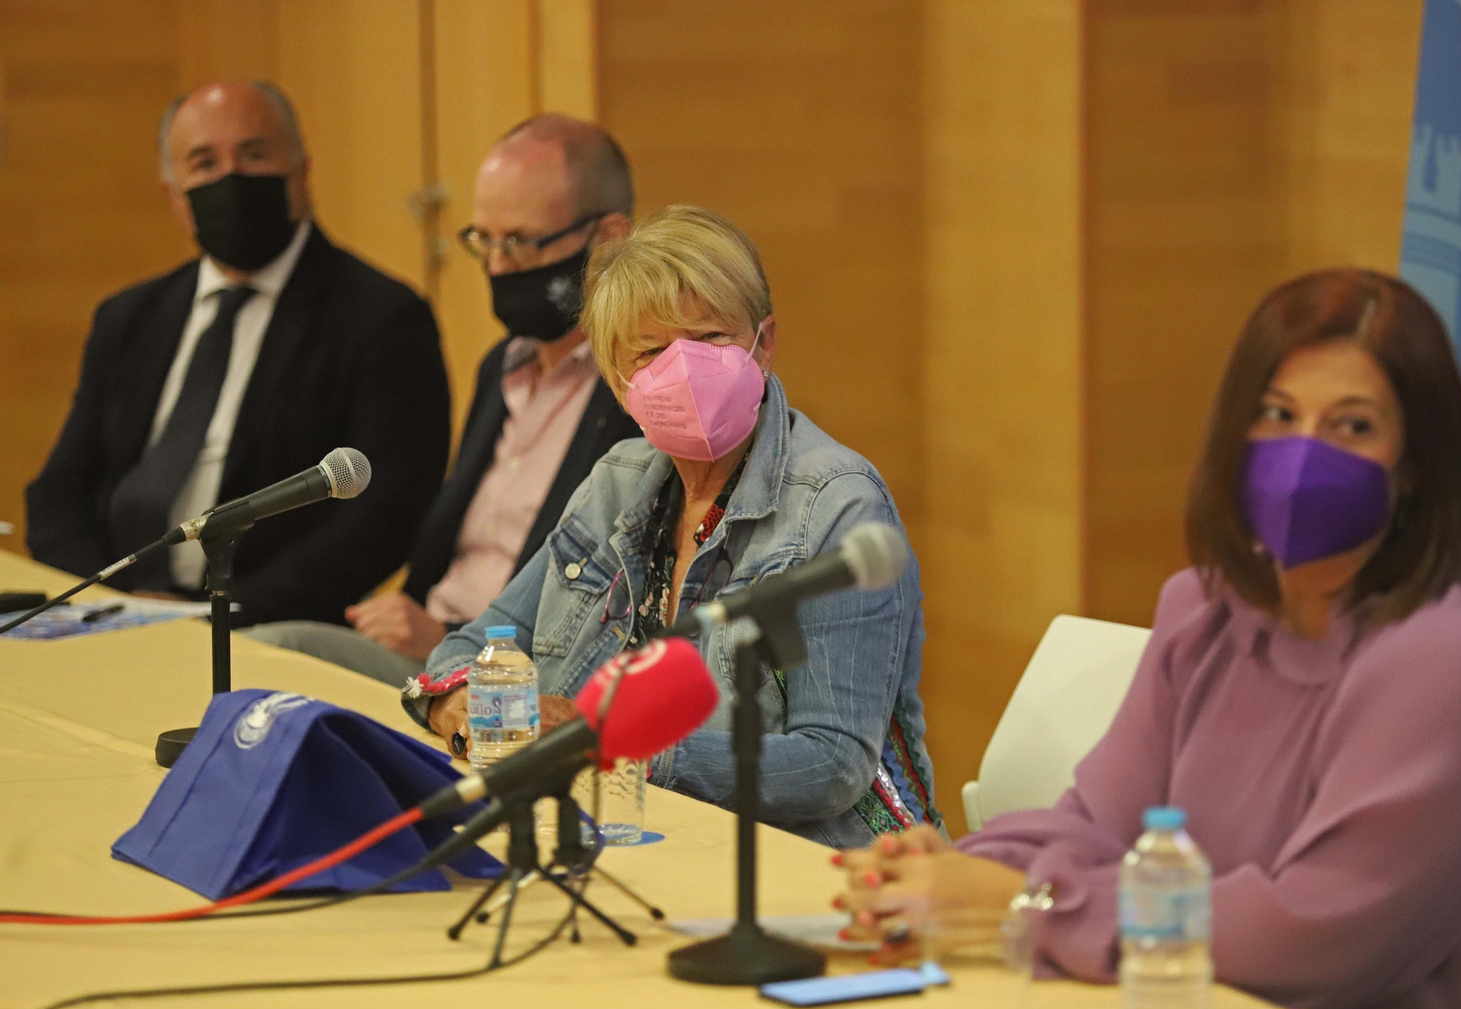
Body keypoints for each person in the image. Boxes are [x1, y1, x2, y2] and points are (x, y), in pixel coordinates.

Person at [832, 269, 1461, 1009]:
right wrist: (952, 877)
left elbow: (1320, 938)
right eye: (1277, 416)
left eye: (1354, 427)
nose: (1305, 455)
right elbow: (1096, 821)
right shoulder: (1204, 612)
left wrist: (1029, 905)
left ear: (1416, 469)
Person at [404, 205, 939, 848]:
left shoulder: (838, 505)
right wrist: (456, 704)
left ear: (763, 343)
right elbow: (478, 644)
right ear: (617, 377)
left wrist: (610, 746)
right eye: (653, 351)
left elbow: (833, 766)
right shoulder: (620, 479)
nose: (684, 369)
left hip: (814, 859)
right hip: (626, 830)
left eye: (709, 339)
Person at [25, 81, 450, 626]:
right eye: (204, 163)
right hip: (113, 614)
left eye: (254, 155)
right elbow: (60, 491)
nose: (231, 178)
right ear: (174, 196)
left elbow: (385, 512)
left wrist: (214, 615)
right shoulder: (128, 318)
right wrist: (110, 603)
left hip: (264, 624)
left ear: (301, 172)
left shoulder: (382, 317)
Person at [246, 115, 640, 684]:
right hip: (427, 650)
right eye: (485, 241)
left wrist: (457, 640)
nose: (499, 267)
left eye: (522, 244)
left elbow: (604, 602)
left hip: (507, 675)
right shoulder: (500, 368)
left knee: (265, 655)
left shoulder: (635, 390)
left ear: (608, 238)